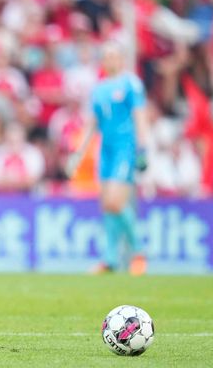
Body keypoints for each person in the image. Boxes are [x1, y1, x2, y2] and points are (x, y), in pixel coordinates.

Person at [68, 42, 151, 275]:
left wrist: (143, 149)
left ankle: (138, 252)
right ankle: (111, 259)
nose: (110, 60)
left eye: (114, 56)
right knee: (107, 205)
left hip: (126, 148)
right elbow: (92, 123)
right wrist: (78, 153)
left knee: (116, 201)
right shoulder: (99, 89)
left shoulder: (130, 84)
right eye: (106, 56)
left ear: (121, 59)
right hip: (105, 150)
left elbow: (140, 117)